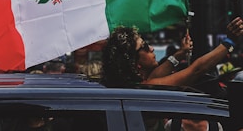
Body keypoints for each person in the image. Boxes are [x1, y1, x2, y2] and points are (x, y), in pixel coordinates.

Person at [101, 16, 243, 88]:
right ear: (134, 63)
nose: (151, 48)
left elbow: (156, 76)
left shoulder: (137, 85)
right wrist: (229, 42)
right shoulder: (146, 88)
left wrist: (180, 53)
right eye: (144, 47)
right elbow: (196, 70)